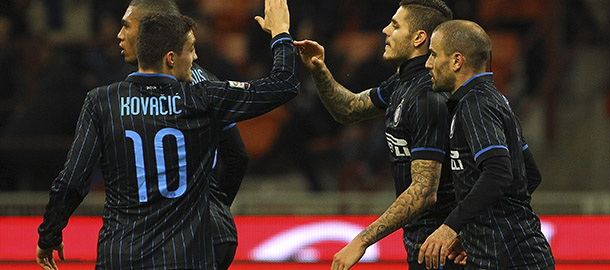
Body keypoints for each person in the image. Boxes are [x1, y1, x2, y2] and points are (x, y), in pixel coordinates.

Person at [35, 0, 297, 268]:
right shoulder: (203, 96)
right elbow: (282, 85)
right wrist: (281, 33)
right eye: (192, 49)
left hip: (120, 255)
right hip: (186, 253)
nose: (195, 57)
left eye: (126, 27)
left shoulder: (101, 101)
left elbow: (72, 181)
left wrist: (49, 234)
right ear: (171, 56)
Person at [295, 1, 463, 269]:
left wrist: (361, 240)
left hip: (446, 247)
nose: (385, 30)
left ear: (419, 38)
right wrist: (318, 68)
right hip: (422, 243)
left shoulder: (428, 96)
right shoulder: (402, 84)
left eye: (395, 25)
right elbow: (348, 108)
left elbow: (424, 192)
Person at [116, 1, 249, 268]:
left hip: (172, 238)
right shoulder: (207, 84)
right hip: (210, 233)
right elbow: (237, 156)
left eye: (126, 26)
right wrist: (214, 210)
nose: (120, 35)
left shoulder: (139, 93)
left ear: (151, 31)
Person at [419, 20, 555, 269]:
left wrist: (450, 227)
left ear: (456, 61)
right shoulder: (496, 100)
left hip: (508, 260)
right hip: (506, 254)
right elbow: (530, 174)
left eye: (433, 54)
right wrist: (472, 232)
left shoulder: (475, 105)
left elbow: (499, 171)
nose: (428, 63)